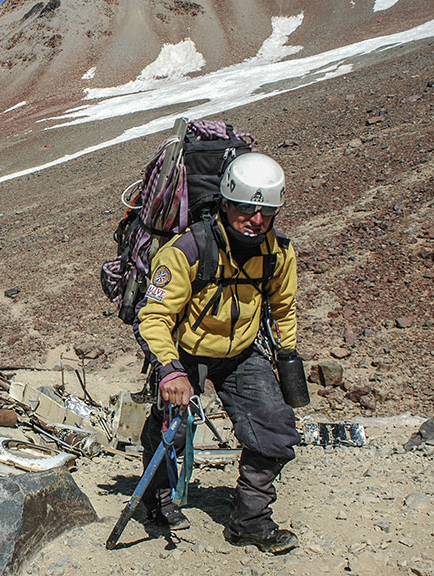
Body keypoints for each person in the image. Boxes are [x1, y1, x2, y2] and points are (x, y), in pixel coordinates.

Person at [133, 152, 302, 554]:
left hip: (242, 352)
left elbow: (284, 308)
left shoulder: (278, 253)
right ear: (226, 203)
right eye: (246, 208)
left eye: (266, 211)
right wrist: (171, 371)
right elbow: (153, 316)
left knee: (275, 430)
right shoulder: (187, 249)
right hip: (184, 353)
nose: (256, 220)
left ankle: (249, 520)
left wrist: (288, 358)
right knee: (168, 432)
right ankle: (156, 502)